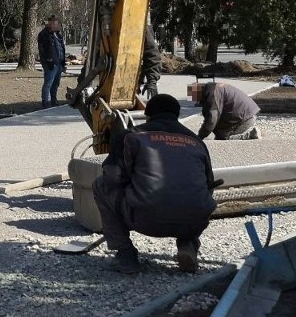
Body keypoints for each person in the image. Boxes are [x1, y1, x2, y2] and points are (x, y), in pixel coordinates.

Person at [92, 94, 217, 274]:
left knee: (100, 185)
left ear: (148, 115)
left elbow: (112, 176)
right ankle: (188, 244)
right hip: (195, 221)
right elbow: (209, 184)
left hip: (147, 219)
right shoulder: (195, 141)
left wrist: (134, 183)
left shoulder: (131, 136)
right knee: (193, 195)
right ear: (177, 115)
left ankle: (125, 255)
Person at [188, 81, 261, 140]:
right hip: (247, 113)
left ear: (199, 93)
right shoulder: (212, 88)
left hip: (245, 118)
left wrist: (199, 137)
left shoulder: (212, 95)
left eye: (196, 99)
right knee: (217, 129)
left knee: (223, 136)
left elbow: (211, 120)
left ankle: (251, 134)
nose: (197, 102)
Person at [37, 15, 66, 108]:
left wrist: (63, 63)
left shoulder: (58, 35)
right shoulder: (44, 34)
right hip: (50, 64)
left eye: (57, 24)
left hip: (59, 63)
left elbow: (61, 48)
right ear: (49, 24)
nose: (56, 26)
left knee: (56, 84)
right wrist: (47, 60)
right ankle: (45, 102)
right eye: (54, 24)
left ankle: (54, 100)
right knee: (48, 83)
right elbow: (42, 50)